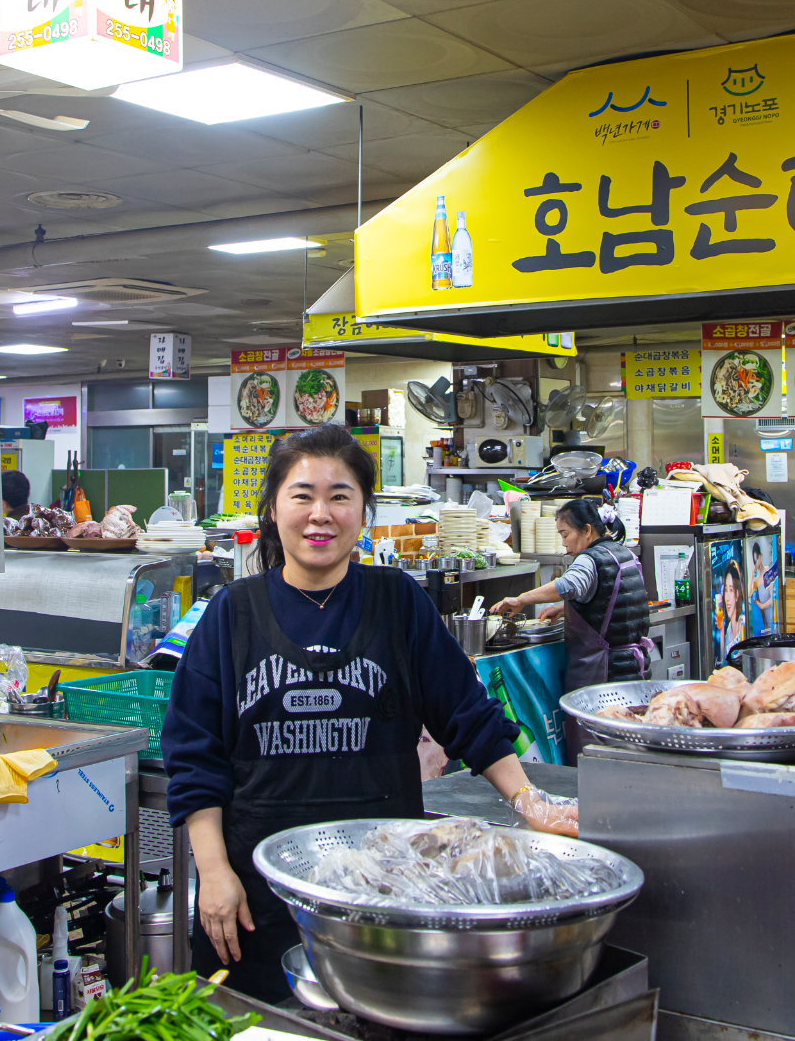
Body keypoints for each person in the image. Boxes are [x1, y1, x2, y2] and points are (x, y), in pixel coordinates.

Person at [162, 425, 576, 1001]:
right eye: (302, 495)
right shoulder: (232, 614)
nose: (320, 514)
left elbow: (467, 714)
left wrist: (530, 802)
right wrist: (212, 873)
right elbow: (194, 756)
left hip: (385, 883)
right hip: (258, 892)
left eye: (340, 496)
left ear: (363, 513)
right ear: (274, 510)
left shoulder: (397, 601)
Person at [490, 498, 652, 760]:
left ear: (587, 530)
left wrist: (521, 599)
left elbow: (568, 585)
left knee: (597, 751)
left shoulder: (589, 559)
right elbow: (610, 599)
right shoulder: (623, 553)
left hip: (603, 674)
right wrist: (566, 609)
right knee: (627, 745)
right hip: (632, 668)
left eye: (565, 534)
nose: (563, 543)